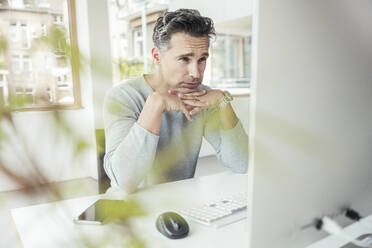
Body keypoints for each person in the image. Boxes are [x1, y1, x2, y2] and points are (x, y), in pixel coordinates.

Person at [103, 9, 248, 193]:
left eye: (202, 59)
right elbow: (124, 182)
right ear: (157, 56)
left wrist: (223, 102)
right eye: (184, 59)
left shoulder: (203, 97)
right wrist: (155, 104)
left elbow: (242, 164)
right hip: (131, 211)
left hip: (181, 203)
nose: (196, 73)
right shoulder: (123, 96)